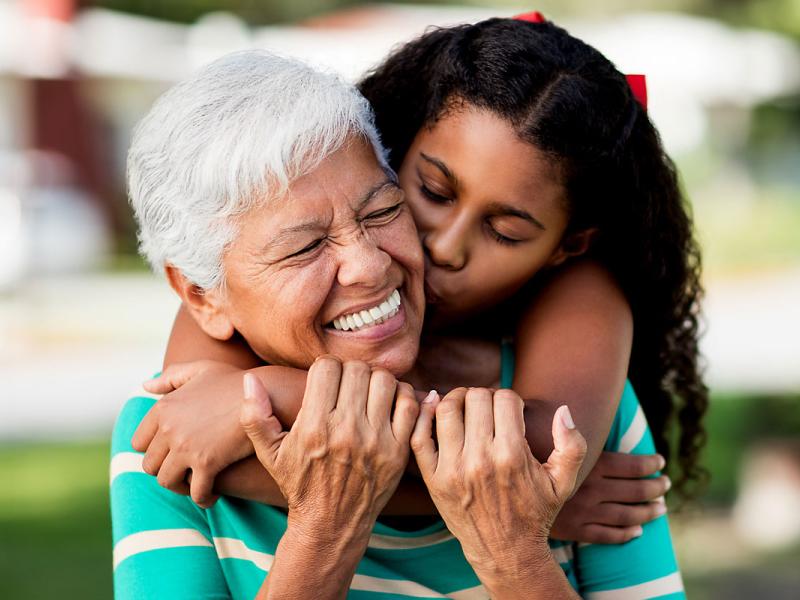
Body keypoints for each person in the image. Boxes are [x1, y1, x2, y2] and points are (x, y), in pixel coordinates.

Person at [113, 48, 587, 599]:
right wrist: (326, 530)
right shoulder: (171, 434)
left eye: (382, 212)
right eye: (306, 247)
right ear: (203, 295)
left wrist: (514, 556)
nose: (369, 264)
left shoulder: (561, 412)